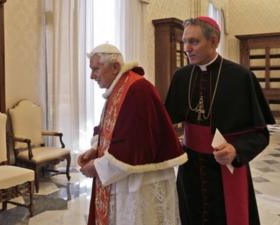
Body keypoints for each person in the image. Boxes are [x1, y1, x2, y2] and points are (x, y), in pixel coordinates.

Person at [165, 16, 275, 225]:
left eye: (194, 42)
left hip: (226, 168)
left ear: (214, 40)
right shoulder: (181, 76)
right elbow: (165, 121)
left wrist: (236, 150)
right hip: (190, 169)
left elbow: (261, 134)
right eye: (185, 42)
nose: (187, 48)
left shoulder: (241, 77)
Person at [78, 43, 187, 225]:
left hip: (140, 182)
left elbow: (133, 147)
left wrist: (98, 166)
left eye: (96, 69)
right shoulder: (119, 88)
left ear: (115, 67)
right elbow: (109, 129)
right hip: (123, 178)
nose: (92, 76)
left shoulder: (137, 90)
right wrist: (95, 149)